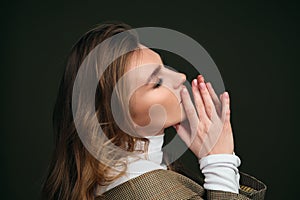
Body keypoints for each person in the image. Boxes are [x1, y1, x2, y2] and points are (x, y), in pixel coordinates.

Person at [42, 22, 266, 200]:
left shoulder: (123, 175)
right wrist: (219, 161)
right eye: (157, 82)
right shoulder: (145, 192)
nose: (180, 78)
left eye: (165, 68)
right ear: (114, 114)